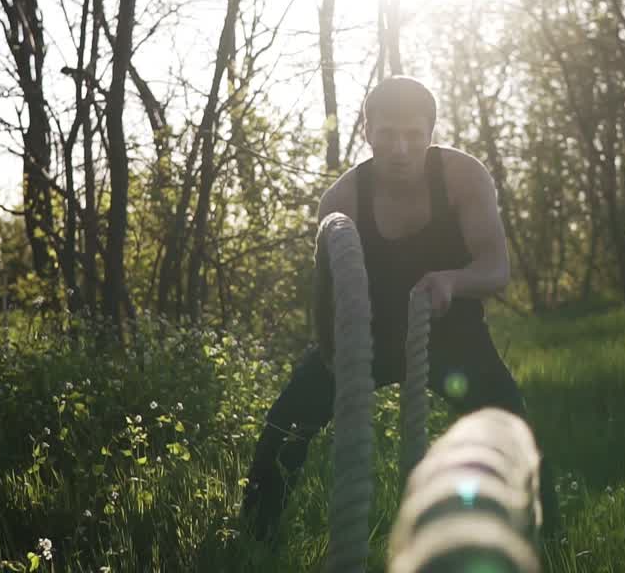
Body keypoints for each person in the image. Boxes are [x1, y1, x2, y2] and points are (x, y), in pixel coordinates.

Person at [239, 75, 560, 542]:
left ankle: (548, 543)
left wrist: (452, 279)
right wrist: (335, 359)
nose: (401, 148)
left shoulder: (462, 178)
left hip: (453, 332)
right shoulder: (342, 201)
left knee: (512, 429)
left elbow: (495, 270)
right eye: (388, 134)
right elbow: (323, 301)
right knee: (284, 426)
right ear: (367, 132)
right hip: (365, 335)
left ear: (430, 133)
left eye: (413, 135)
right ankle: (252, 542)